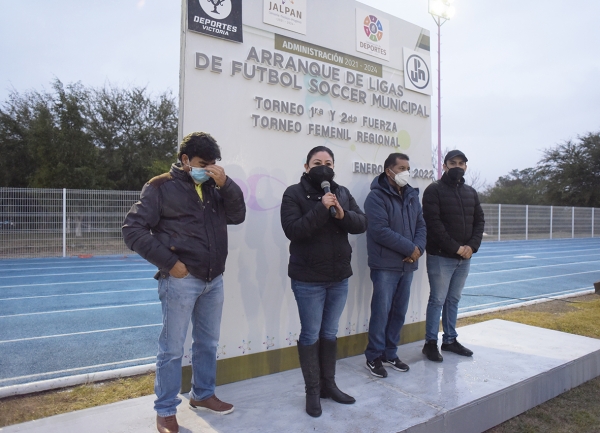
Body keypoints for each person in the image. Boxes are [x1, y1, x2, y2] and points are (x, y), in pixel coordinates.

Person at [122, 132, 246, 433]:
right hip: (180, 279)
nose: (210, 168)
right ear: (185, 160)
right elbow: (133, 230)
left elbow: (238, 215)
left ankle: (202, 395)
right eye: (204, 163)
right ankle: (165, 411)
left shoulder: (216, 187)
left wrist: (226, 184)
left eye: (214, 163)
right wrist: (170, 263)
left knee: (207, 343)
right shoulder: (160, 186)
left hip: (213, 278)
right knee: (172, 349)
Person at [280, 146, 367, 417]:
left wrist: (342, 214)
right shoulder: (293, 193)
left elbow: (361, 223)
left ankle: (329, 385)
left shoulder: (342, 192)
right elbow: (293, 230)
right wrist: (321, 208)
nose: (323, 167)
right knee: (310, 333)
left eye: (328, 162)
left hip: (339, 277)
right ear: (306, 167)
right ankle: (313, 391)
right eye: (317, 162)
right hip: (308, 280)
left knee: (329, 333)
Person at [363, 153, 426, 378]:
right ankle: (373, 356)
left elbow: (421, 225)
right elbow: (379, 231)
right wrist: (410, 249)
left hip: (408, 266)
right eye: (401, 168)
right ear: (388, 170)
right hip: (385, 266)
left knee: (398, 312)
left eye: (407, 168)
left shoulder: (411, 196)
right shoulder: (376, 197)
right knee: (381, 312)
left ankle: (390, 353)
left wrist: (417, 249)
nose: (405, 172)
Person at [422, 150, 485, 362]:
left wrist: (471, 247)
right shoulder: (434, 190)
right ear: (444, 166)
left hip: (465, 257)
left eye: (461, 163)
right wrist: (456, 248)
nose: (457, 166)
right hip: (441, 257)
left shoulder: (471, 192)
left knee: (454, 299)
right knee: (437, 299)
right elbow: (434, 225)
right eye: (452, 163)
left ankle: (449, 340)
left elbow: (479, 222)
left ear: (466, 166)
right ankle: (430, 343)